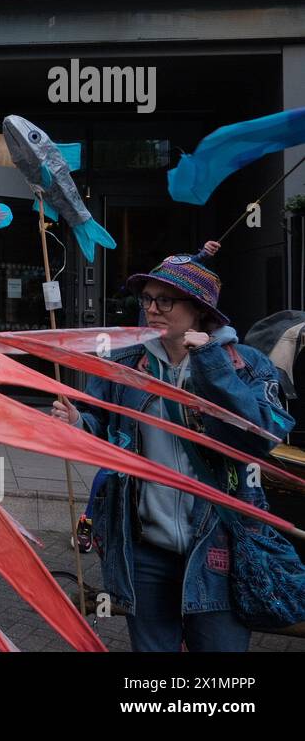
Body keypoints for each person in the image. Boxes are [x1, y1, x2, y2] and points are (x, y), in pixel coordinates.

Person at [52, 242, 295, 651]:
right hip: (144, 546)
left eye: (166, 299)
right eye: (147, 298)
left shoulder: (245, 362)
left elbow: (262, 435)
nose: (153, 308)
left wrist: (212, 364)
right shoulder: (125, 363)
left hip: (221, 545)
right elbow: (103, 432)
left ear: (199, 307)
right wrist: (79, 422)